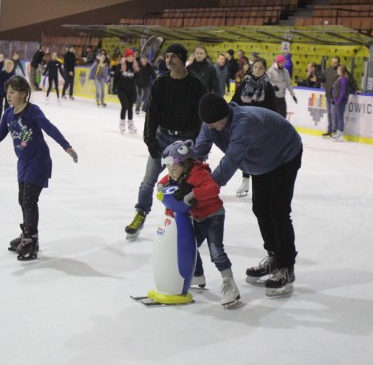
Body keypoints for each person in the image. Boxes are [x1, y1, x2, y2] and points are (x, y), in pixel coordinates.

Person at [194, 93, 303, 297]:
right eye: (206, 123)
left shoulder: (243, 123)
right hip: (261, 161)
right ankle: (273, 256)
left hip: (285, 153)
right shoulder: (209, 124)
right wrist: (186, 176)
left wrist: (205, 189)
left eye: (213, 122)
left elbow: (231, 161)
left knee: (278, 211)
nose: (209, 127)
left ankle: (286, 266)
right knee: (260, 208)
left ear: (224, 115)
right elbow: (199, 151)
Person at [0, 76, 78, 261]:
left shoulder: (32, 111)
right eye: (7, 92)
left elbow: (49, 128)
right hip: (23, 162)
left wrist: (67, 146)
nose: (8, 95)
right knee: (22, 200)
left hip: (39, 161)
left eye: (12, 92)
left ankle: (31, 239)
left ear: (23, 94)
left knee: (29, 199)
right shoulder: (8, 114)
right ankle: (27, 234)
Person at [124, 43, 207, 241]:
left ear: (182, 58)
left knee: (186, 185)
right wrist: (150, 141)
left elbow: (200, 118)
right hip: (162, 139)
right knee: (148, 182)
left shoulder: (196, 84)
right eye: (167, 56)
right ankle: (140, 214)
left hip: (184, 141)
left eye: (173, 57)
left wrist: (193, 144)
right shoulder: (160, 82)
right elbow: (151, 114)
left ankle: (190, 221)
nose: (168, 60)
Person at [157, 139, 240, 307]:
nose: (171, 173)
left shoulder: (198, 173)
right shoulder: (178, 173)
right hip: (198, 216)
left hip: (213, 215)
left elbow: (213, 189)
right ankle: (198, 275)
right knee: (192, 246)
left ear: (186, 164)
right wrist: (161, 184)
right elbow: (167, 178)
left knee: (216, 251)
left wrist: (194, 194)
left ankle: (229, 284)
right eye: (168, 169)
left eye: (174, 169)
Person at [231, 57, 279, 197]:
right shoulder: (244, 84)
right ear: (252, 68)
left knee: (259, 155)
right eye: (256, 67)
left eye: (261, 68)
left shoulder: (268, 87)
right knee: (244, 154)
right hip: (244, 125)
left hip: (261, 127)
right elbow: (235, 101)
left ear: (265, 70)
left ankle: (260, 184)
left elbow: (273, 109)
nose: (258, 70)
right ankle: (245, 181)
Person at [112, 49, 139, 133]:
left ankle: (130, 124)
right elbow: (116, 77)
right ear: (126, 57)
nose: (131, 58)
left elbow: (137, 79)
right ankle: (122, 123)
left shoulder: (135, 66)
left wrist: (138, 72)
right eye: (129, 56)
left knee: (130, 107)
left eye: (132, 56)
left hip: (131, 90)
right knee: (125, 106)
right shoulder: (120, 65)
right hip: (121, 89)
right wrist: (114, 87)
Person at [0, 59, 15, 128]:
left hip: (9, 94)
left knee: (7, 108)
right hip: (0, 92)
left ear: (12, 67)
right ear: (5, 66)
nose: (9, 68)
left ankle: (6, 122)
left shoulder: (13, 75)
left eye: (10, 67)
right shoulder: (1, 73)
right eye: (7, 67)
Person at [330, 64, 350, 140]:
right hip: (337, 100)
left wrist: (339, 100)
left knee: (340, 117)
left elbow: (343, 91)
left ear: (342, 71)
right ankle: (338, 132)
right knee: (338, 116)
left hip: (340, 101)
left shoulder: (344, 79)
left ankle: (340, 133)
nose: (337, 71)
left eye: (338, 70)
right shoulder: (340, 78)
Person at [321, 56, 340, 137]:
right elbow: (323, 78)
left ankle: (334, 130)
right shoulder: (328, 70)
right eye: (333, 62)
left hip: (335, 97)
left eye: (335, 63)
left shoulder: (340, 71)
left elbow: (349, 79)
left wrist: (355, 88)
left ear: (338, 63)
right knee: (329, 113)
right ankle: (330, 129)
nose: (334, 64)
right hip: (328, 95)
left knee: (333, 114)